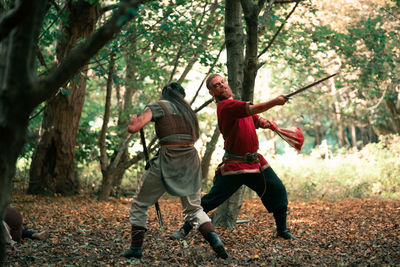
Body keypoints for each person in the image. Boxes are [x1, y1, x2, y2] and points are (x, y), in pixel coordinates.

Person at [170, 74, 299, 241]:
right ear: (212, 93)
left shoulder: (236, 105)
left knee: (277, 189)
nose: (222, 86)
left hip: (254, 163)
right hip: (235, 166)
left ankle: (282, 231)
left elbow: (253, 117)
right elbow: (252, 109)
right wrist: (275, 101)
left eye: (223, 82)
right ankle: (183, 230)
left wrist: (263, 122)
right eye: (216, 85)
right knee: (211, 200)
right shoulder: (225, 106)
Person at [121, 82, 228, 259]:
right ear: (182, 96)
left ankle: (135, 249)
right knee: (194, 209)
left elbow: (134, 128)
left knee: (140, 204)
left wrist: (133, 121)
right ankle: (215, 240)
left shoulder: (159, 105)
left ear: (165, 95)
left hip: (169, 159)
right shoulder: (188, 113)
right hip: (190, 160)